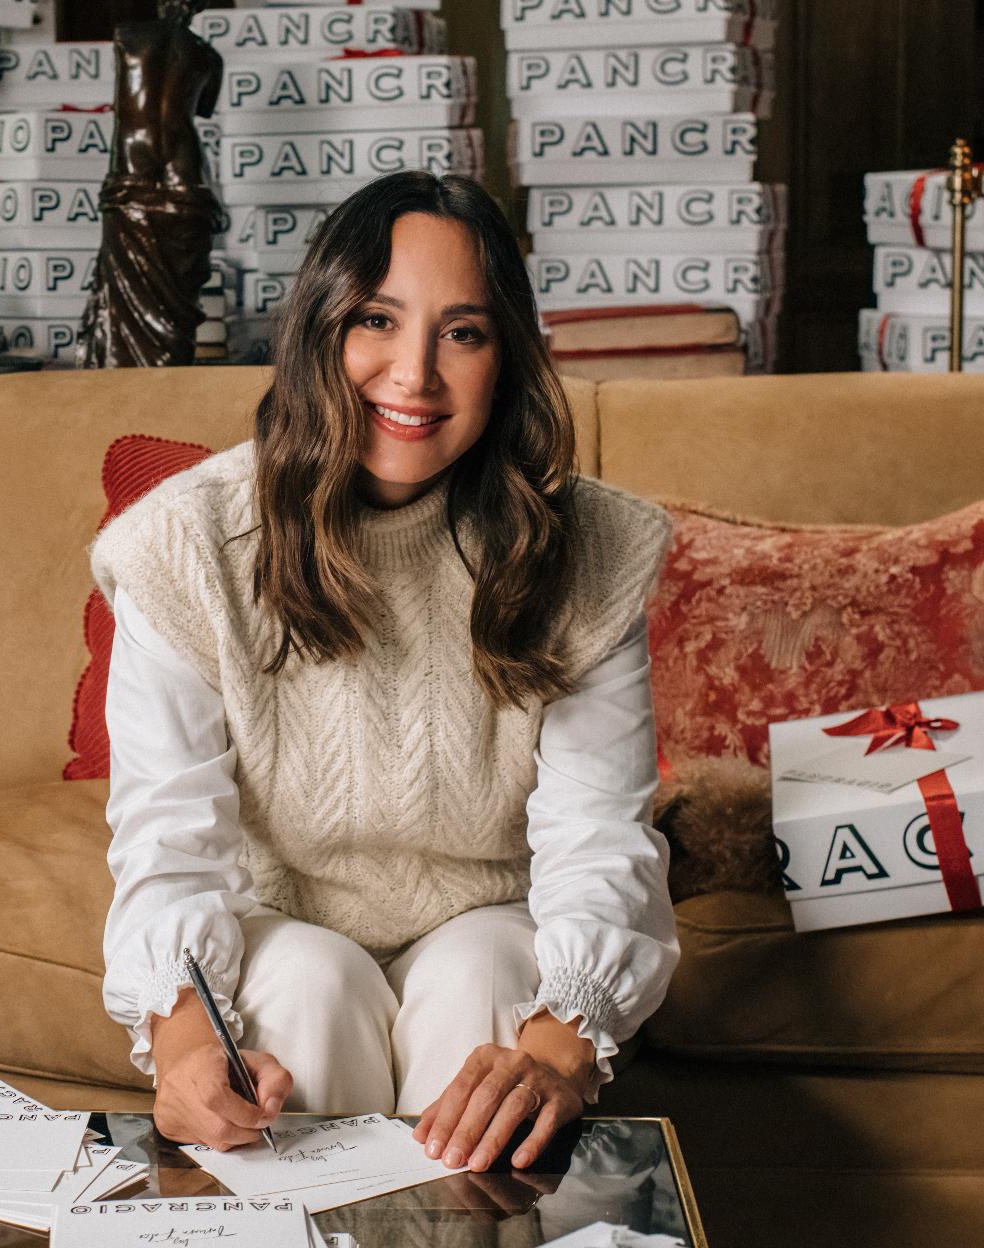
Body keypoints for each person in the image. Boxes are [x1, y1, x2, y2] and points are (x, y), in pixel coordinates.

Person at [89, 171, 679, 1177]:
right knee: (310, 989)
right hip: (287, 921)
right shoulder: (187, 543)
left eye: (463, 332)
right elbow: (168, 839)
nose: (413, 374)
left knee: (488, 978)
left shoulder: (588, 549)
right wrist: (185, 1050)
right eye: (376, 319)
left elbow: (598, 836)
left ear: (507, 361)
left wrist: (559, 1052)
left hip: (494, 915)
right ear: (320, 328)